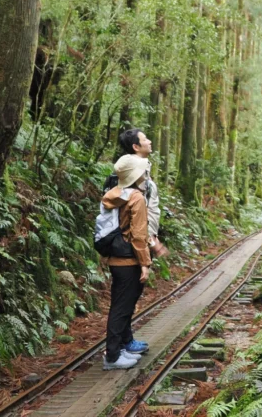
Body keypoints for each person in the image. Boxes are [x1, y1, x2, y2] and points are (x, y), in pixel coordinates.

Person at [100, 154, 152, 370]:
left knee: (120, 305)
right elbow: (139, 235)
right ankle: (112, 356)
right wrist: (144, 263)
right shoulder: (136, 198)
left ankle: (121, 347)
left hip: (115, 258)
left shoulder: (114, 193)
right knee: (122, 308)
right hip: (129, 260)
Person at [116, 128, 168, 260]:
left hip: (137, 243)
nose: (149, 141)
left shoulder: (140, 174)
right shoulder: (135, 179)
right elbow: (139, 215)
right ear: (135, 146)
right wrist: (152, 242)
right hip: (134, 245)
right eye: (145, 139)